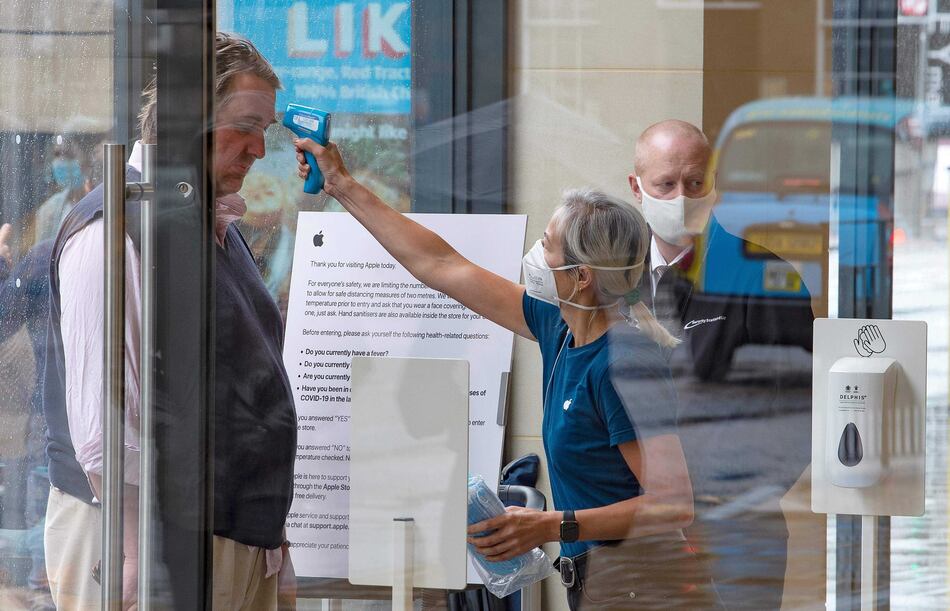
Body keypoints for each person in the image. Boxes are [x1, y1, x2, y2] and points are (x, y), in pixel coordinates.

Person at [294, 138, 713, 609]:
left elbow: (673, 504)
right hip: (603, 582)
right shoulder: (561, 328)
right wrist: (342, 185)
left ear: (581, 277)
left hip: (644, 587)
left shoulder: (624, 363)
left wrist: (550, 525)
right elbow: (440, 265)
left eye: (548, 246)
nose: (536, 254)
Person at [43, 32, 296, 610]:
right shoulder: (112, 229)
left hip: (226, 537)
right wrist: (133, 551)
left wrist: (272, 545)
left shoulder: (208, 222)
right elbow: (102, 428)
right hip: (145, 540)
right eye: (247, 125)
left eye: (267, 130)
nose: (259, 149)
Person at [629, 119, 814, 609]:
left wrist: (741, 494)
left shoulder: (762, 275)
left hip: (734, 526)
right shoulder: (610, 282)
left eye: (695, 182)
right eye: (665, 184)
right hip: (633, 527)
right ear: (636, 187)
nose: (682, 197)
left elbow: (804, 405)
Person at [33, 143, 90, 245]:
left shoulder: (104, 203)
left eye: (69, 154)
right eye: (57, 154)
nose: (61, 161)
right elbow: (42, 255)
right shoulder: (49, 210)